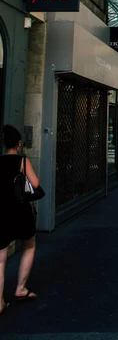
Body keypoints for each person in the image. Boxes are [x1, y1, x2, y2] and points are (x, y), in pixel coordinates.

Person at [0, 125, 41, 313]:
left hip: (2, 212)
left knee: (0, 259)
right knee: (29, 244)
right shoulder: (22, 162)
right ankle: (21, 288)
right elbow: (35, 184)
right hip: (20, 211)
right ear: (18, 143)